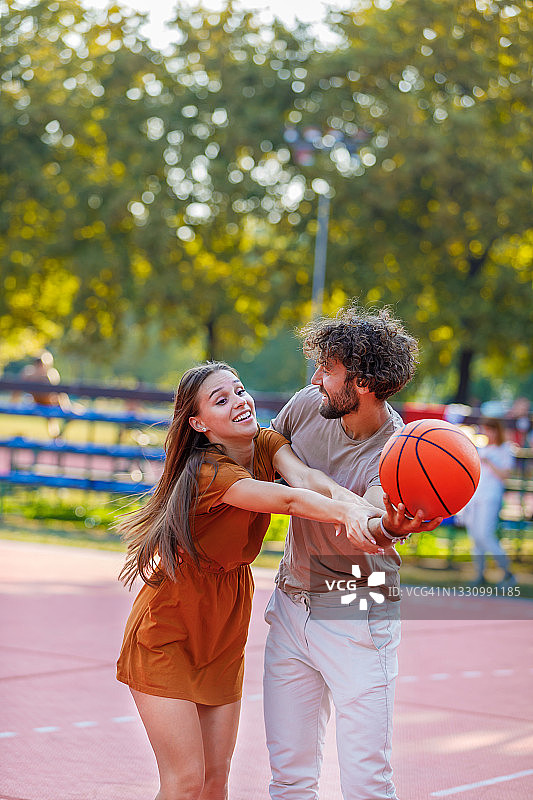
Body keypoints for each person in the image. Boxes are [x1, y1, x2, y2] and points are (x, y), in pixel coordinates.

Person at [117, 361, 413, 800]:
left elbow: (308, 479)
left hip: (223, 624)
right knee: (184, 784)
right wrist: (351, 515)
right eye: (222, 400)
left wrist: (373, 520)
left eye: (239, 390)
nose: (239, 402)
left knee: (216, 782)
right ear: (198, 423)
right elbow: (291, 500)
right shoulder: (208, 473)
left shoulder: (264, 443)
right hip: (171, 626)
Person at [264, 304, 442, 800]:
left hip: (357, 612)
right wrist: (300, 476)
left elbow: (369, 525)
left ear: (362, 381)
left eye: (329, 368)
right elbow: (268, 444)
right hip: (292, 601)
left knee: (366, 783)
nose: (317, 378)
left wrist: (387, 525)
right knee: (290, 779)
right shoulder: (307, 404)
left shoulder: (399, 451)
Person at [464, 418, 516, 587]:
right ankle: (480, 573)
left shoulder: (505, 449)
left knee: (485, 535)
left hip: (490, 497)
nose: (487, 433)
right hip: (476, 497)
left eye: (490, 430)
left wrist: (490, 463)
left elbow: (505, 475)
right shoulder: (482, 448)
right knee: (475, 536)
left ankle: (507, 572)